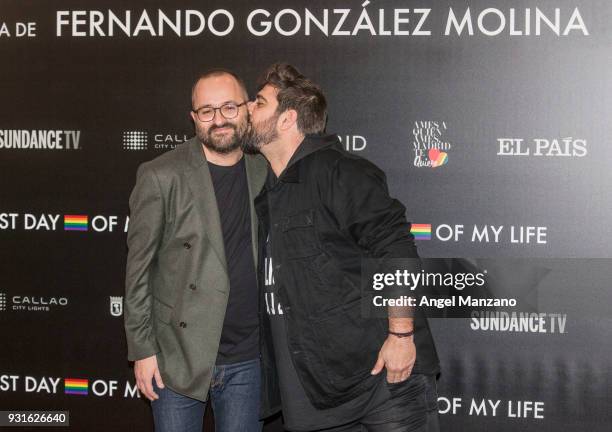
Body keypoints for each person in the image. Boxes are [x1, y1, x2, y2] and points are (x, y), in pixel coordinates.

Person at [243, 63, 440, 431]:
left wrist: (400, 336)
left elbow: (395, 250)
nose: (248, 108)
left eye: (259, 102)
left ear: (287, 120)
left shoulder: (340, 172)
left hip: (383, 383)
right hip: (317, 393)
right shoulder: (271, 190)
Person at [124, 69, 267, 432]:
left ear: (248, 109)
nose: (218, 119)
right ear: (193, 118)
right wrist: (142, 351)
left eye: (229, 107)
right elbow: (138, 271)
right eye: (207, 111)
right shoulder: (161, 175)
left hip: (249, 358)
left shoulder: (265, 170)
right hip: (177, 358)